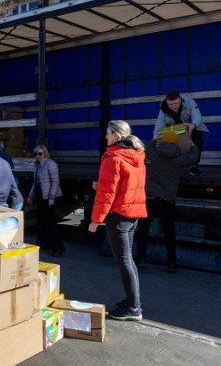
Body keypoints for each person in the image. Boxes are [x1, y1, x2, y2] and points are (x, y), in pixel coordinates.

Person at [88, 120, 147, 321]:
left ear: (115, 136)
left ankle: (133, 308)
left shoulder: (113, 159)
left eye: (107, 133)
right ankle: (132, 300)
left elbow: (107, 194)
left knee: (124, 262)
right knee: (128, 260)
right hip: (133, 214)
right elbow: (125, 186)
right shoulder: (136, 156)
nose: (105, 137)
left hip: (118, 216)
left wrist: (95, 220)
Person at [136, 132, 199, 273]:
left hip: (149, 198)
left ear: (162, 141)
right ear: (176, 143)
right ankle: (171, 263)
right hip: (167, 199)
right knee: (169, 232)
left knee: (143, 229)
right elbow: (194, 157)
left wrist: (154, 140)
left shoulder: (152, 154)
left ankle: (140, 259)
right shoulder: (179, 158)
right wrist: (193, 146)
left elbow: (141, 147)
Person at [153, 91, 208, 176]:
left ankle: (194, 166)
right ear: (167, 103)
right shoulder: (163, 108)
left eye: (176, 103)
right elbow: (159, 126)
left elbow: (197, 116)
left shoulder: (190, 102)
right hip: (176, 129)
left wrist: (193, 125)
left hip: (191, 126)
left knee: (197, 140)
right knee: (170, 142)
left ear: (180, 100)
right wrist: (156, 140)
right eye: (171, 104)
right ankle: (174, 165)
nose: (174, 106)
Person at [27, 145, 64, 256]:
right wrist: (31, 196)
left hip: (49, 197)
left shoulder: (51, 164)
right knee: (41, 221)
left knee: (49, 222)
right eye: (36, 154)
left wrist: (51, 197)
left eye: (40, 153)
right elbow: (35, 182)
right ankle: (43, 243)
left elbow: (55, 182)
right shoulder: (37, 165)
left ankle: (58, 248)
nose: (38, 156)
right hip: (40, 195)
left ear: (45, 153)